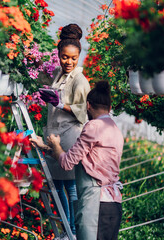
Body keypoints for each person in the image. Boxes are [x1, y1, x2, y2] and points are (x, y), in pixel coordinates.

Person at [32, 81, 124, 240]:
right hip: (113, 204)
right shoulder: (115, 129)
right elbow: (78, 157)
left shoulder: (94, 126)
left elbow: (67, 162)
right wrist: (48, 147)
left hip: (95, 204)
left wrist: (55, 144)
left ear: (88, 105)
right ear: (109, 108)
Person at [35, 23, 91, 236]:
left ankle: (75, 230)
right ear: (58, 55)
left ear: (79, 57)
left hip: (70, 138)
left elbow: (84, 112)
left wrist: (60, 104)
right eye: (64, 57)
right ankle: (66, 228)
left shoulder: (80, 80)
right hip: (54, 134)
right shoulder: (57, 72)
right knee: (57, 185)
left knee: (71, 187)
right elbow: (42, 78)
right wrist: (31, 62)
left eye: (73, 58)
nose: (68, 62)